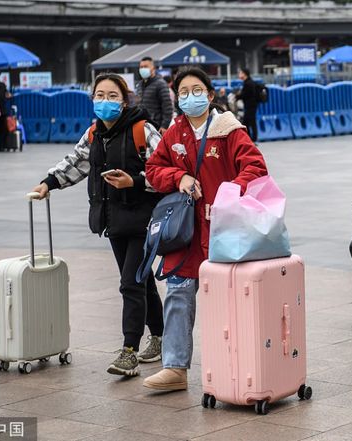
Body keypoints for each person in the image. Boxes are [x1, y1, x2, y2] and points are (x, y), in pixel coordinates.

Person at [30, 73, 165, 377]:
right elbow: (75, 162)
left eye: (112, 96)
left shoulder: (144, 130)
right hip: (114, 220)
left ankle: (129, 351)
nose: (106, 102)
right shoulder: (94, 134)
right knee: (141, 282)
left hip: (144, 220)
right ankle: (158, 336)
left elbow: (166, 171)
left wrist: (136, 181)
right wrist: (48, 183)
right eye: (100, 96)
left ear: (125, 100)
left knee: (130, 283)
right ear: (92, 100)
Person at [142, 67, 267, 391]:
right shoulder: (175, 132)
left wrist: (229, 194)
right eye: (182, 92)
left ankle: (236, 368)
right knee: (178, 295)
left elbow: (255, 167)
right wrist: (178, 177)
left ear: (210, 95)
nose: (189, 96)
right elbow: (154, 169)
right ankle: (174, 368)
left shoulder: (228, 129)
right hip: (185, 235)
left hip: (224, 232)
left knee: (228, 302)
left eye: (196, 90)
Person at [136, 57, 173, 135]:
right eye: (141, 67)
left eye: (145, 66)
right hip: (142, 126)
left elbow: (168, 107)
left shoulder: (160, 84)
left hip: (157, 126)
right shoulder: (139, 85)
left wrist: (164, 126)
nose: (142, 69)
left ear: (153, 68)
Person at [236, 68, 259, 142]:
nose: (239, 75)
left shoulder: (248, 83)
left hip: (250, 106)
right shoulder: (248, 82)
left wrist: (238, 96)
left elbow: (246, 94)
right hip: (251, 105)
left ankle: (251, 139)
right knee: (250, 122)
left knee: (248, 122)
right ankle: (251, 138)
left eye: (240, 73)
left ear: (244, 74)